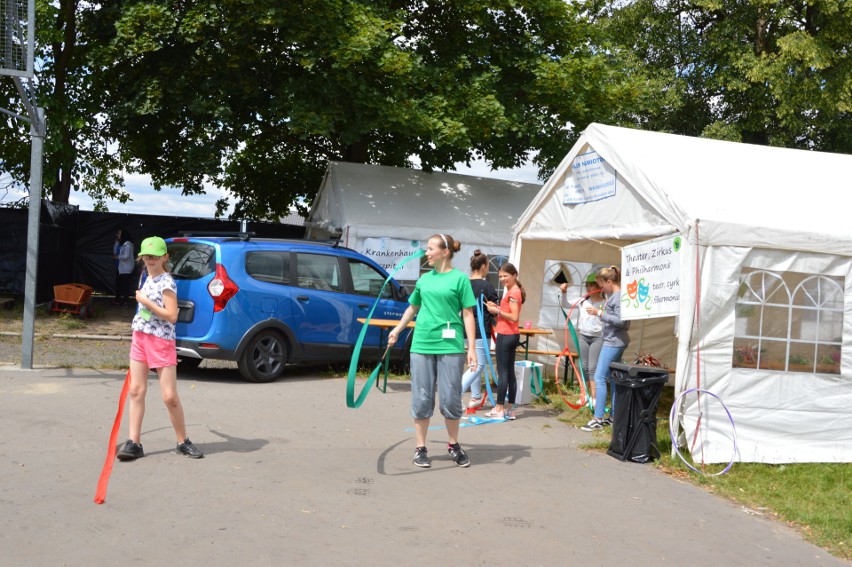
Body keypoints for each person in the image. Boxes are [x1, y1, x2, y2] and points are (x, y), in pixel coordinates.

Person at [387, 234, 477, 468]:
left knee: (450, 397)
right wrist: (397, 330)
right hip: (422, 344)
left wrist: (471, 348)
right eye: (426, 249)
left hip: (450, 345)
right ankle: (420, 448)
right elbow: (412, 307)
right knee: (422, 396)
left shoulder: (460, 280)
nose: (426, 253)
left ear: (444, 252)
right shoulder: (424, 280)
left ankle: (453, 445)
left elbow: (468, 313)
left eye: (430, 249)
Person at [117, 236, 203, 461]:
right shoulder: (145, 276)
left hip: (161, 341)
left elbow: (172, 316)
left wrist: (147, 303)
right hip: (140, 338)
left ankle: (183, 441)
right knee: (136, 390)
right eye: (146, 256)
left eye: (155, 256)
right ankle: (134, 442)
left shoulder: (167, 282)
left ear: (165, 257)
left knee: (169, 396)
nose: (150, 259)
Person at [581, 265, 630, 431]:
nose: (601, 288)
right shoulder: (614, 296)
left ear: (609, 281)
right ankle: (614, 416)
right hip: (613, 340)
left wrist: (600, 314)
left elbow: (623, 322)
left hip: (614, 341)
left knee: (599, 377)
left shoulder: (618, 297)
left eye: (602, 285)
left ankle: (598, 418)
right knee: (612, 379)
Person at [484, 262, 525, 421]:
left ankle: (499, 408)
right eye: (500, 276)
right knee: (509, 373)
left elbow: (514, 317)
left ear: (514, 275)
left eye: (505, 276)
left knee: (503, 373)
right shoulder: (513, 291)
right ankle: (510, 410)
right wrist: (496, 309)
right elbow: (508, 315)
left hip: (506, 335)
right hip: (511, 334)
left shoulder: (513, 292)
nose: (502, 279)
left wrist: (497, 310)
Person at [461, 250, 498, 408]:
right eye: (488, 265)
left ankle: (475, 397)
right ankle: (456, 393)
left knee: (474, 365)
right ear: (483, 266)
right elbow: (495, 308)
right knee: (479, 365)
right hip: (480, 329)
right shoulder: (486, 286)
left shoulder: (465, 284)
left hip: (464, 329)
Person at [560, 272, 604, 404]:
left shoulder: (605, 303)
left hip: (598, 338)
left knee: (592, 367)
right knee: (584, 366)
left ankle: (594, 398)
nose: (588, 288)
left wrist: (599, 313)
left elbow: (608, 318)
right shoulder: (583, 301)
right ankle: (584, 395)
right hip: (584, 337)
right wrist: (563, 293)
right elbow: (566, 304)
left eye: (592, 286)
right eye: (587, 286)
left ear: (599, 287)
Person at [112, 229, 135, 306]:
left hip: (126, 268)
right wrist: (116, 242)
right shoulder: (121, 243)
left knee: (125, 285)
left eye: (118, 234)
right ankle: (117, 299)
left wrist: (117, 257)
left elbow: (126, 256)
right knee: (118, 284)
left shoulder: (128, 244)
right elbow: (115, 252)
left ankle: (125, 301)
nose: (117, 235)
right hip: (120, 267)